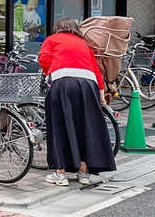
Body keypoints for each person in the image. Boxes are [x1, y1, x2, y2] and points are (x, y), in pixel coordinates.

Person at [37, 18, 116, 187]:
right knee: (85, 127)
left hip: (63, 82)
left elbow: (44, 59)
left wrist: (50, 74)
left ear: (57, 28)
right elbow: (96, 70)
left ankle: (60, 174)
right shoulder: (84, 43)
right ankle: (83, 173)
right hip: (88, 85)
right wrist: (102, 96)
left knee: (59, 126)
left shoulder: (52, 39)